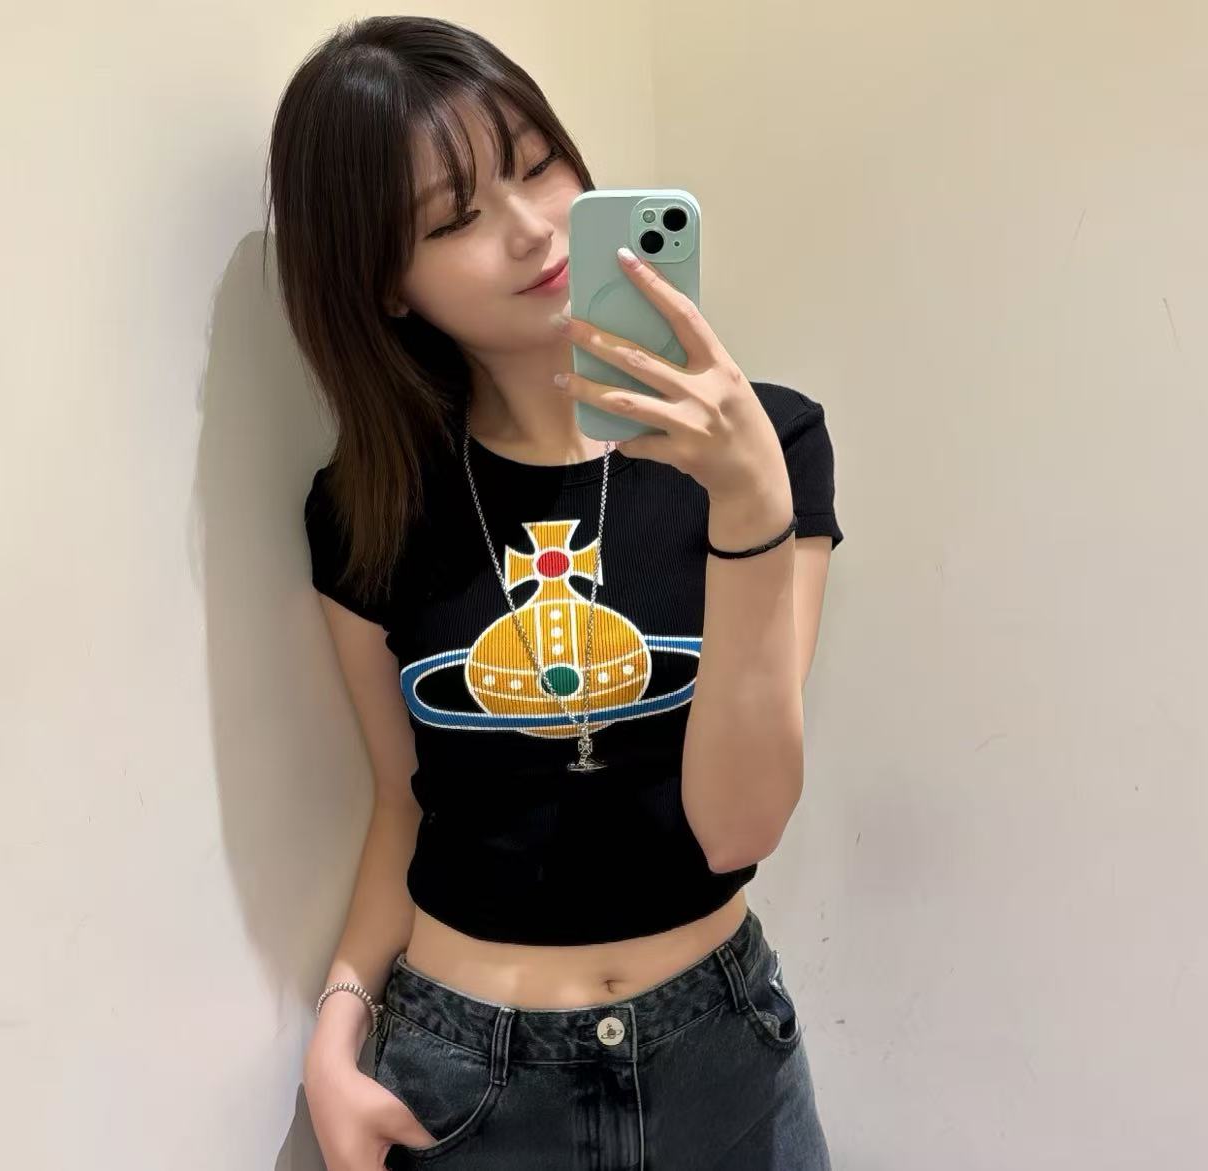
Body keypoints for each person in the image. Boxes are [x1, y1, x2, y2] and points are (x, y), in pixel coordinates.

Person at [266, 15, 843, 1170]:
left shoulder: (770, 444)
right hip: (467, 1079)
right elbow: (403, 802)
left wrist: (746, 503)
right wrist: (335, 1032)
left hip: (720, 1050)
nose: (531, 227)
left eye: (538, 166)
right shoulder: (370, 509)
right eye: (454, 217)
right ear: (386, 283)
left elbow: (740, 826)